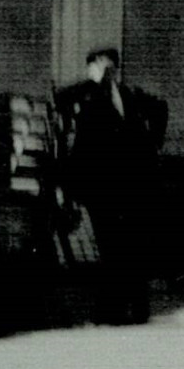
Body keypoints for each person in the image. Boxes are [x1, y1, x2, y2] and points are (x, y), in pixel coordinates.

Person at [55, 48, 165, 325]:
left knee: (129, 245)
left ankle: (134, 309)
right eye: (101, 66)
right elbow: (60, 100)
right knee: (109, 246)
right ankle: (112, 310)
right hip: (101, 185)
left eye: (109, 66)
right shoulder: (86, 94)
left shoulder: (129, 95)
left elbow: (161, 107)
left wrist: (153, 144)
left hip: (132, 185)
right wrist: (92, 82)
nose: (106, 71)